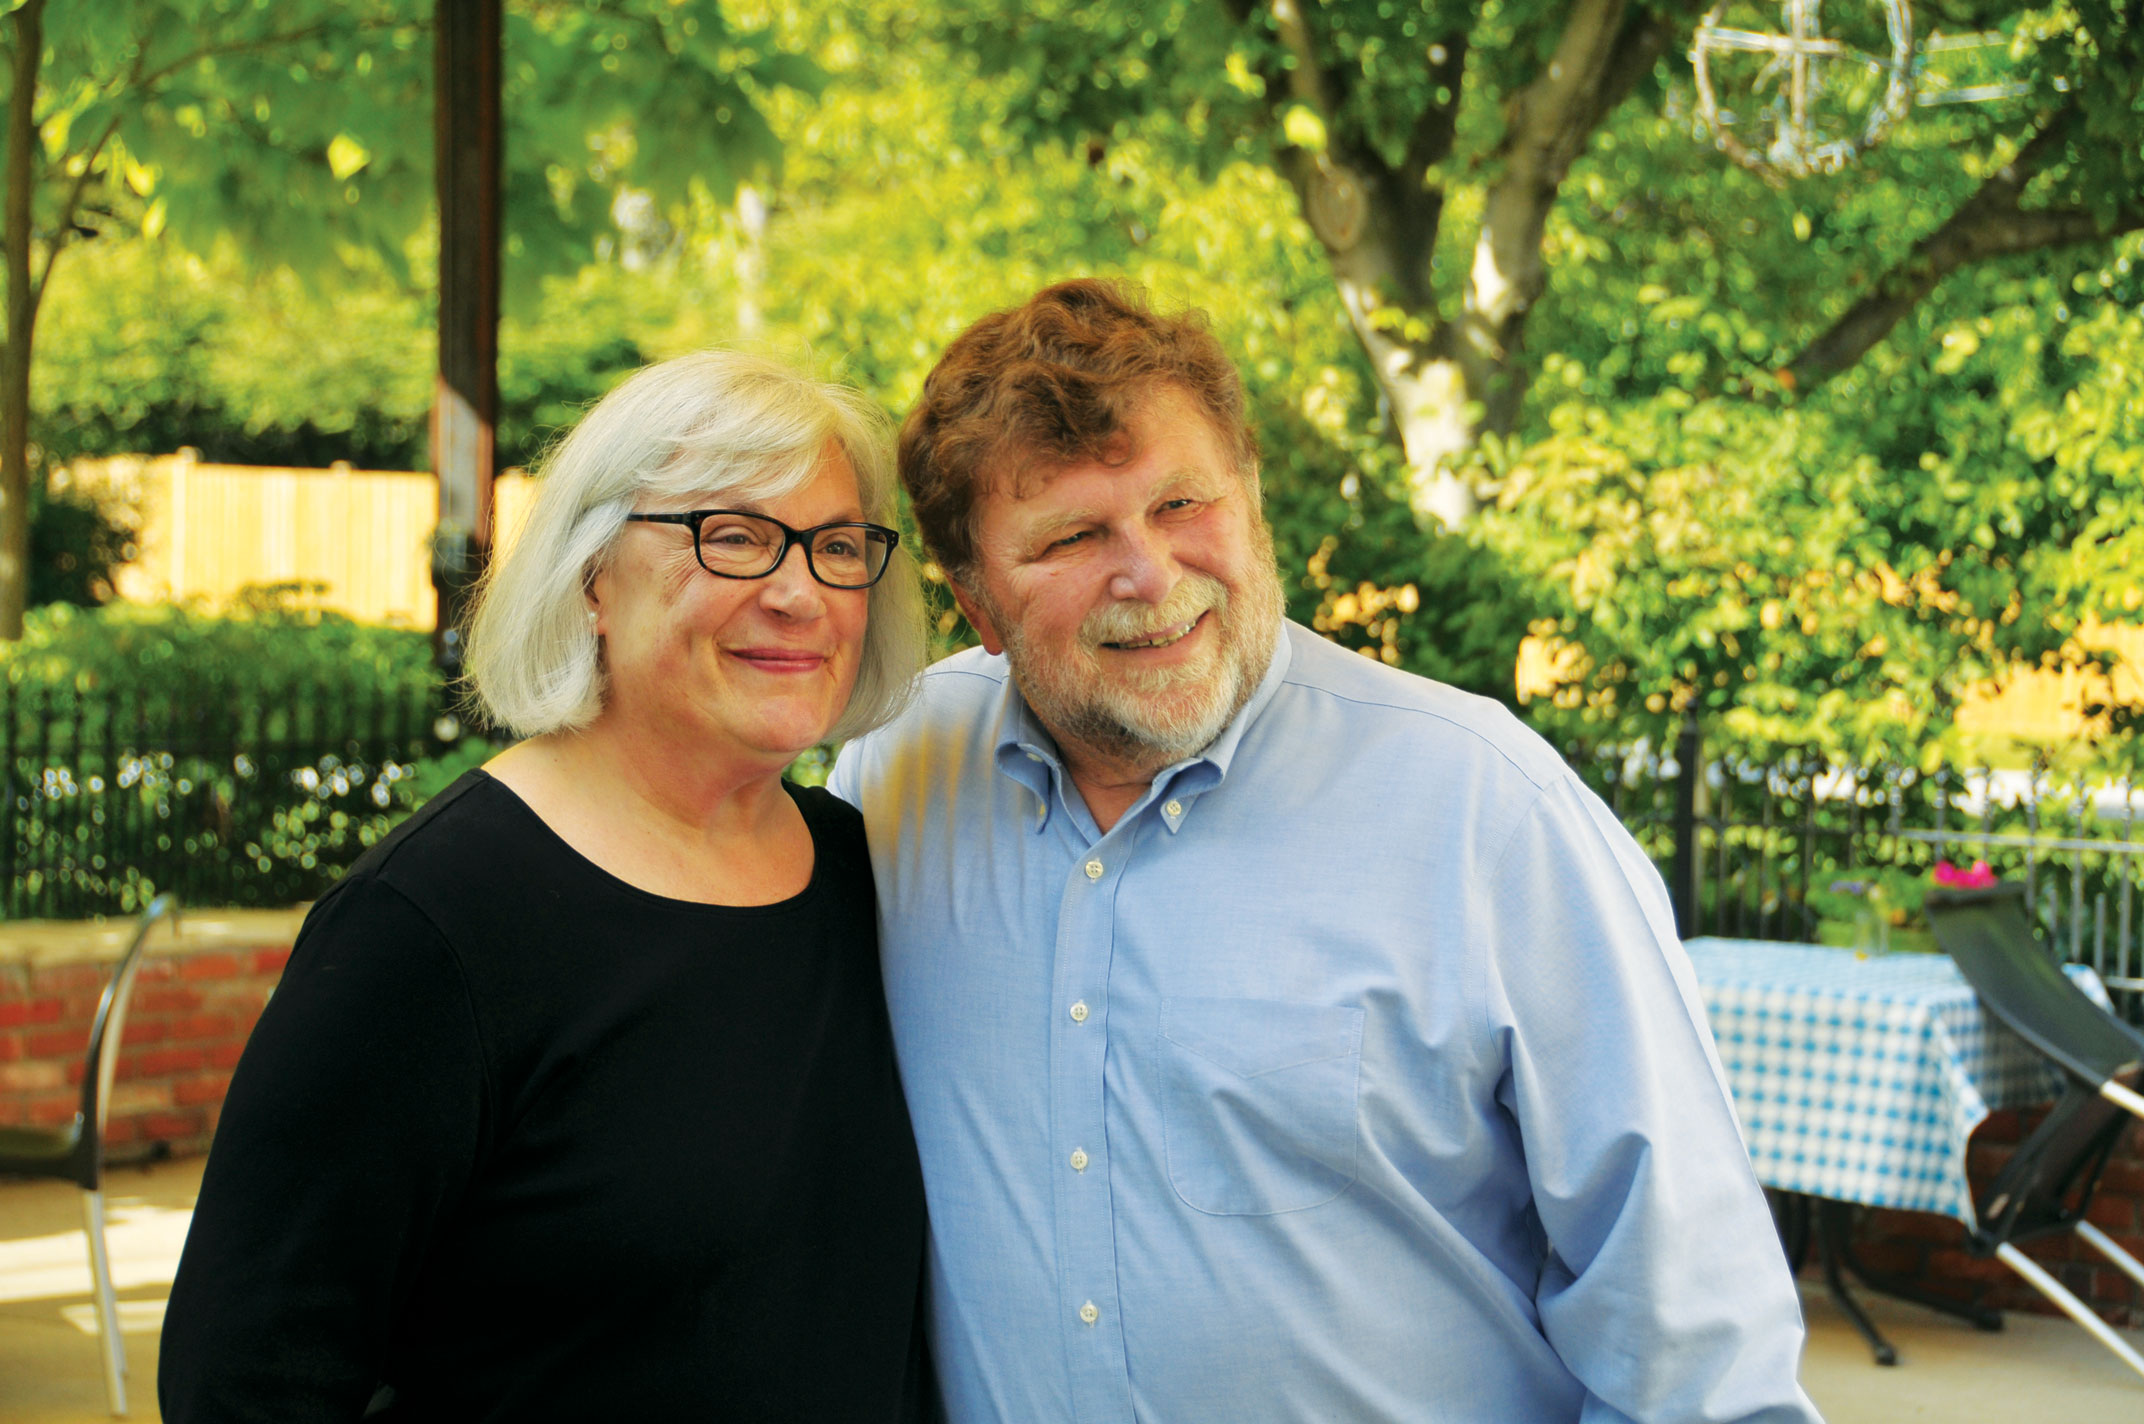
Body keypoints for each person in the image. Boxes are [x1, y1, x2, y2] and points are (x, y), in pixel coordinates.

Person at [828, 280, 1822, 1423]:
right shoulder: (898, 775)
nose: (1148, 573)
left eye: (1181, 502)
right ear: (974, 602)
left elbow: (1693, 1336)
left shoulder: (1486, 809)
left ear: (1250, 500)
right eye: (1070, 536)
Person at [163, 351, 932, 1422]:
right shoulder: (430, 924)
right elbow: (247, 1379)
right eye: (734, 535)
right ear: (589, 577)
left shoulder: (861, 871)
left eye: (837, 545)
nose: (801, 593)